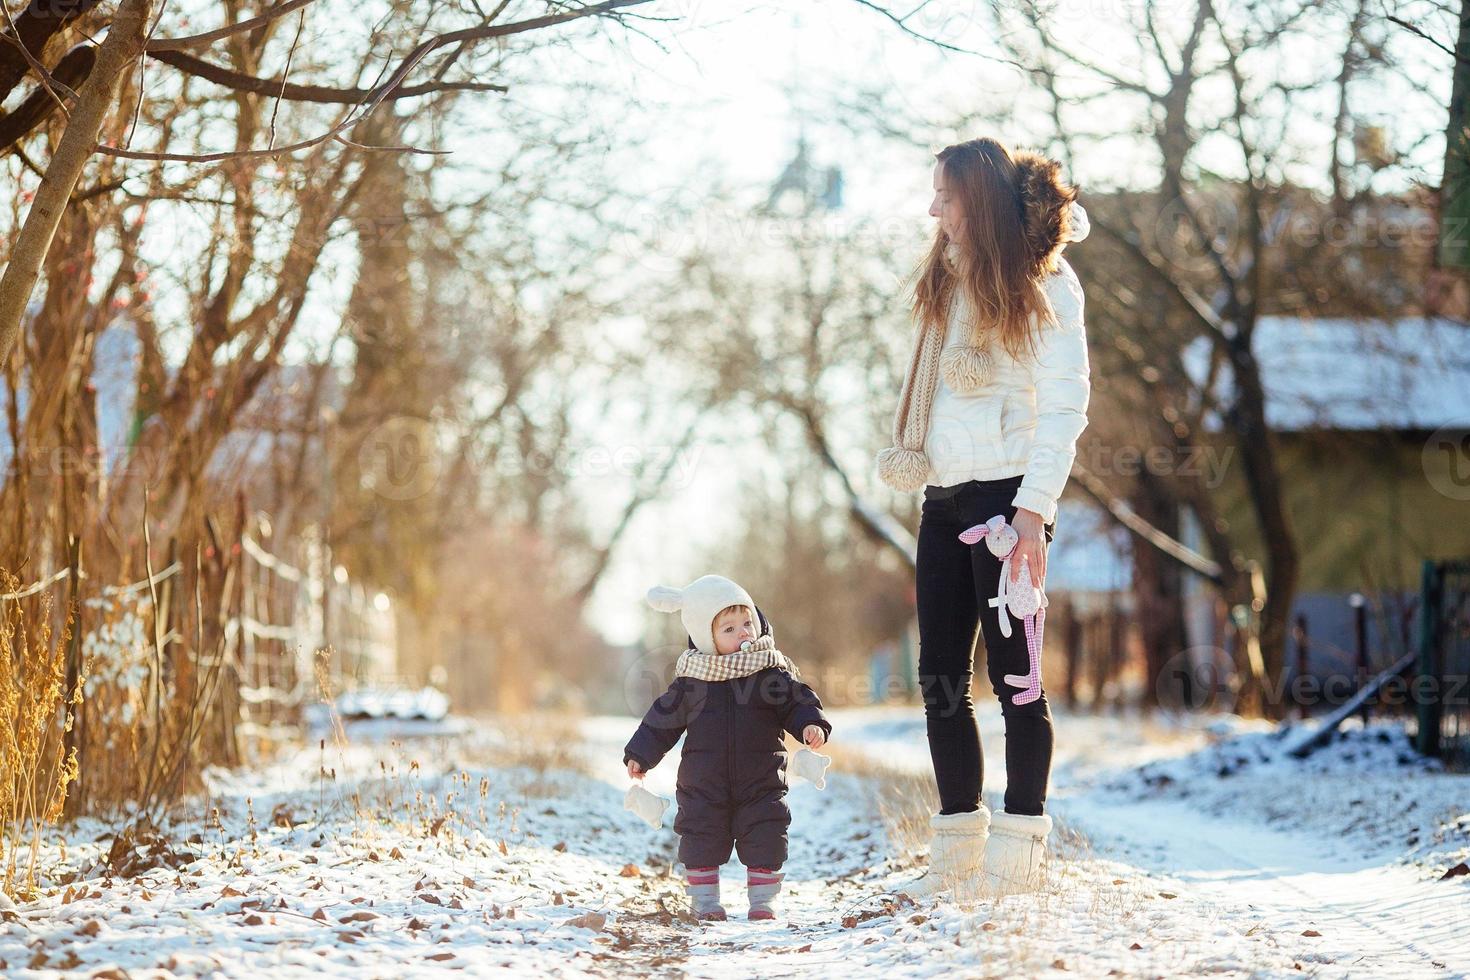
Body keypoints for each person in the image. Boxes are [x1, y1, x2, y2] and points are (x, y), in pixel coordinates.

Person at [874, 137, 1091, 898]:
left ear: (981, 199)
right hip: (943, 501)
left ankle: (1019, 847)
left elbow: (1065, 406)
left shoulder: (1045, 287)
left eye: (947, 195)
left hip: (1008, 504)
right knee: (938, 678)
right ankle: (959, 844)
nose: (934, 209)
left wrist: (1034, 513)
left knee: (1017, 682)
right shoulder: (947, 280)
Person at [623, 575, 831, 921]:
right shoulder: (693, 680)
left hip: (761, 779)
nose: (743, 634)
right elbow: (662, 720)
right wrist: (641, 754)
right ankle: (705, 901)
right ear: (707, 637)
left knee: (766, 832)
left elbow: (798, 701)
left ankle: (763, 901)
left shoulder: (770, 672)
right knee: (701, 836)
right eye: (729, 629)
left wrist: (810, 723)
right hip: (703, 782)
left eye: (747, 623)